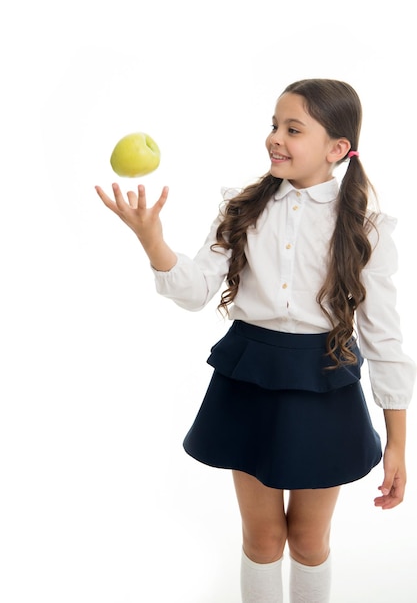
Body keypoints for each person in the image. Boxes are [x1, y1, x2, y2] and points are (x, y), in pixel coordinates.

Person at [96, 79, 415, 603]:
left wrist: (398, 440)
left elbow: (385, 337)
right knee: (263, 538)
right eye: (273, 125)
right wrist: (152, 239)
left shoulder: (364, 227)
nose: (275, 138)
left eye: (293, 129)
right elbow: (196, 289)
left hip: (323, 380)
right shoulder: (243, 208)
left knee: (310, 542)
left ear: (337, 149)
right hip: (251, 376)